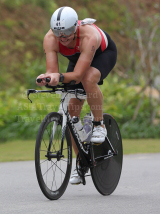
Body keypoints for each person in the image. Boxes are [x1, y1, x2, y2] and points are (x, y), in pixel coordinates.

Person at [36, 6, 117, 184]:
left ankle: (98, 124)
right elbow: (53, 71)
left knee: (88, 79)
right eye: (58, 32)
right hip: (79, 58)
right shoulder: (50, 38)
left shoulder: (88, 35)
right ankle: (82, 163)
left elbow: (78, 76)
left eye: (66, 31)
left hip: (102, 54)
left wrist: (60, 77)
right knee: (71, 112)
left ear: (75, 27)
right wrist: (48, 78)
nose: (62, 37)